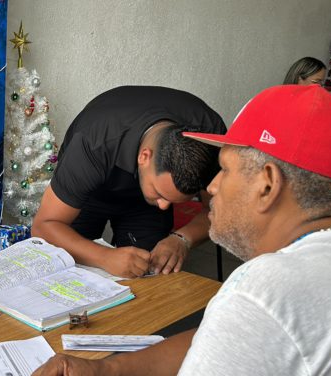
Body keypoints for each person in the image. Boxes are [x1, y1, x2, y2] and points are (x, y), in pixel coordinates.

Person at [0, 85, 331, 375]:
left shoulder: (262, 294)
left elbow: (249, 322)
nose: (210, 189)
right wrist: (108, 370)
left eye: (224, 170)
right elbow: (220, 337)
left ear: (267, 184)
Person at [32, 86, 226, 278]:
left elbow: (220, 210)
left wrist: (183, 238)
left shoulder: (208, 137)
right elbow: (44, 226)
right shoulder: (93, 141)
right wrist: (104, 257)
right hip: (90, 194)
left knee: (149, 272)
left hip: (142, 206)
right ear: (144, 157)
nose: (164, 206)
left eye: (172, 200)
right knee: (70, 269)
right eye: (160, 194)